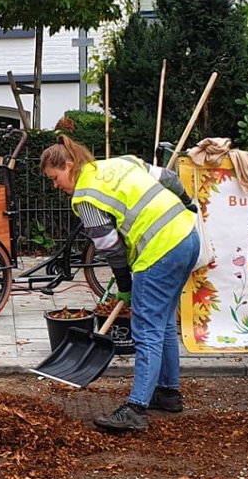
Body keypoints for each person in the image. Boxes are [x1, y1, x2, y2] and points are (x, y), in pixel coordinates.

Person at [41, 136, 199, 433]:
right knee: (163, 321)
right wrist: (187, 204)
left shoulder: (85, 198)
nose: (55, 185)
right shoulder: (119, 163)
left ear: (70, 166)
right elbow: (170, 178)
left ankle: (136, 409)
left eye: (55, 177)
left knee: (146, 328)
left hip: (159, 249)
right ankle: (167, 393)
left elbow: (110, 246)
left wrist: (124, 281)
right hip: (188, 237)